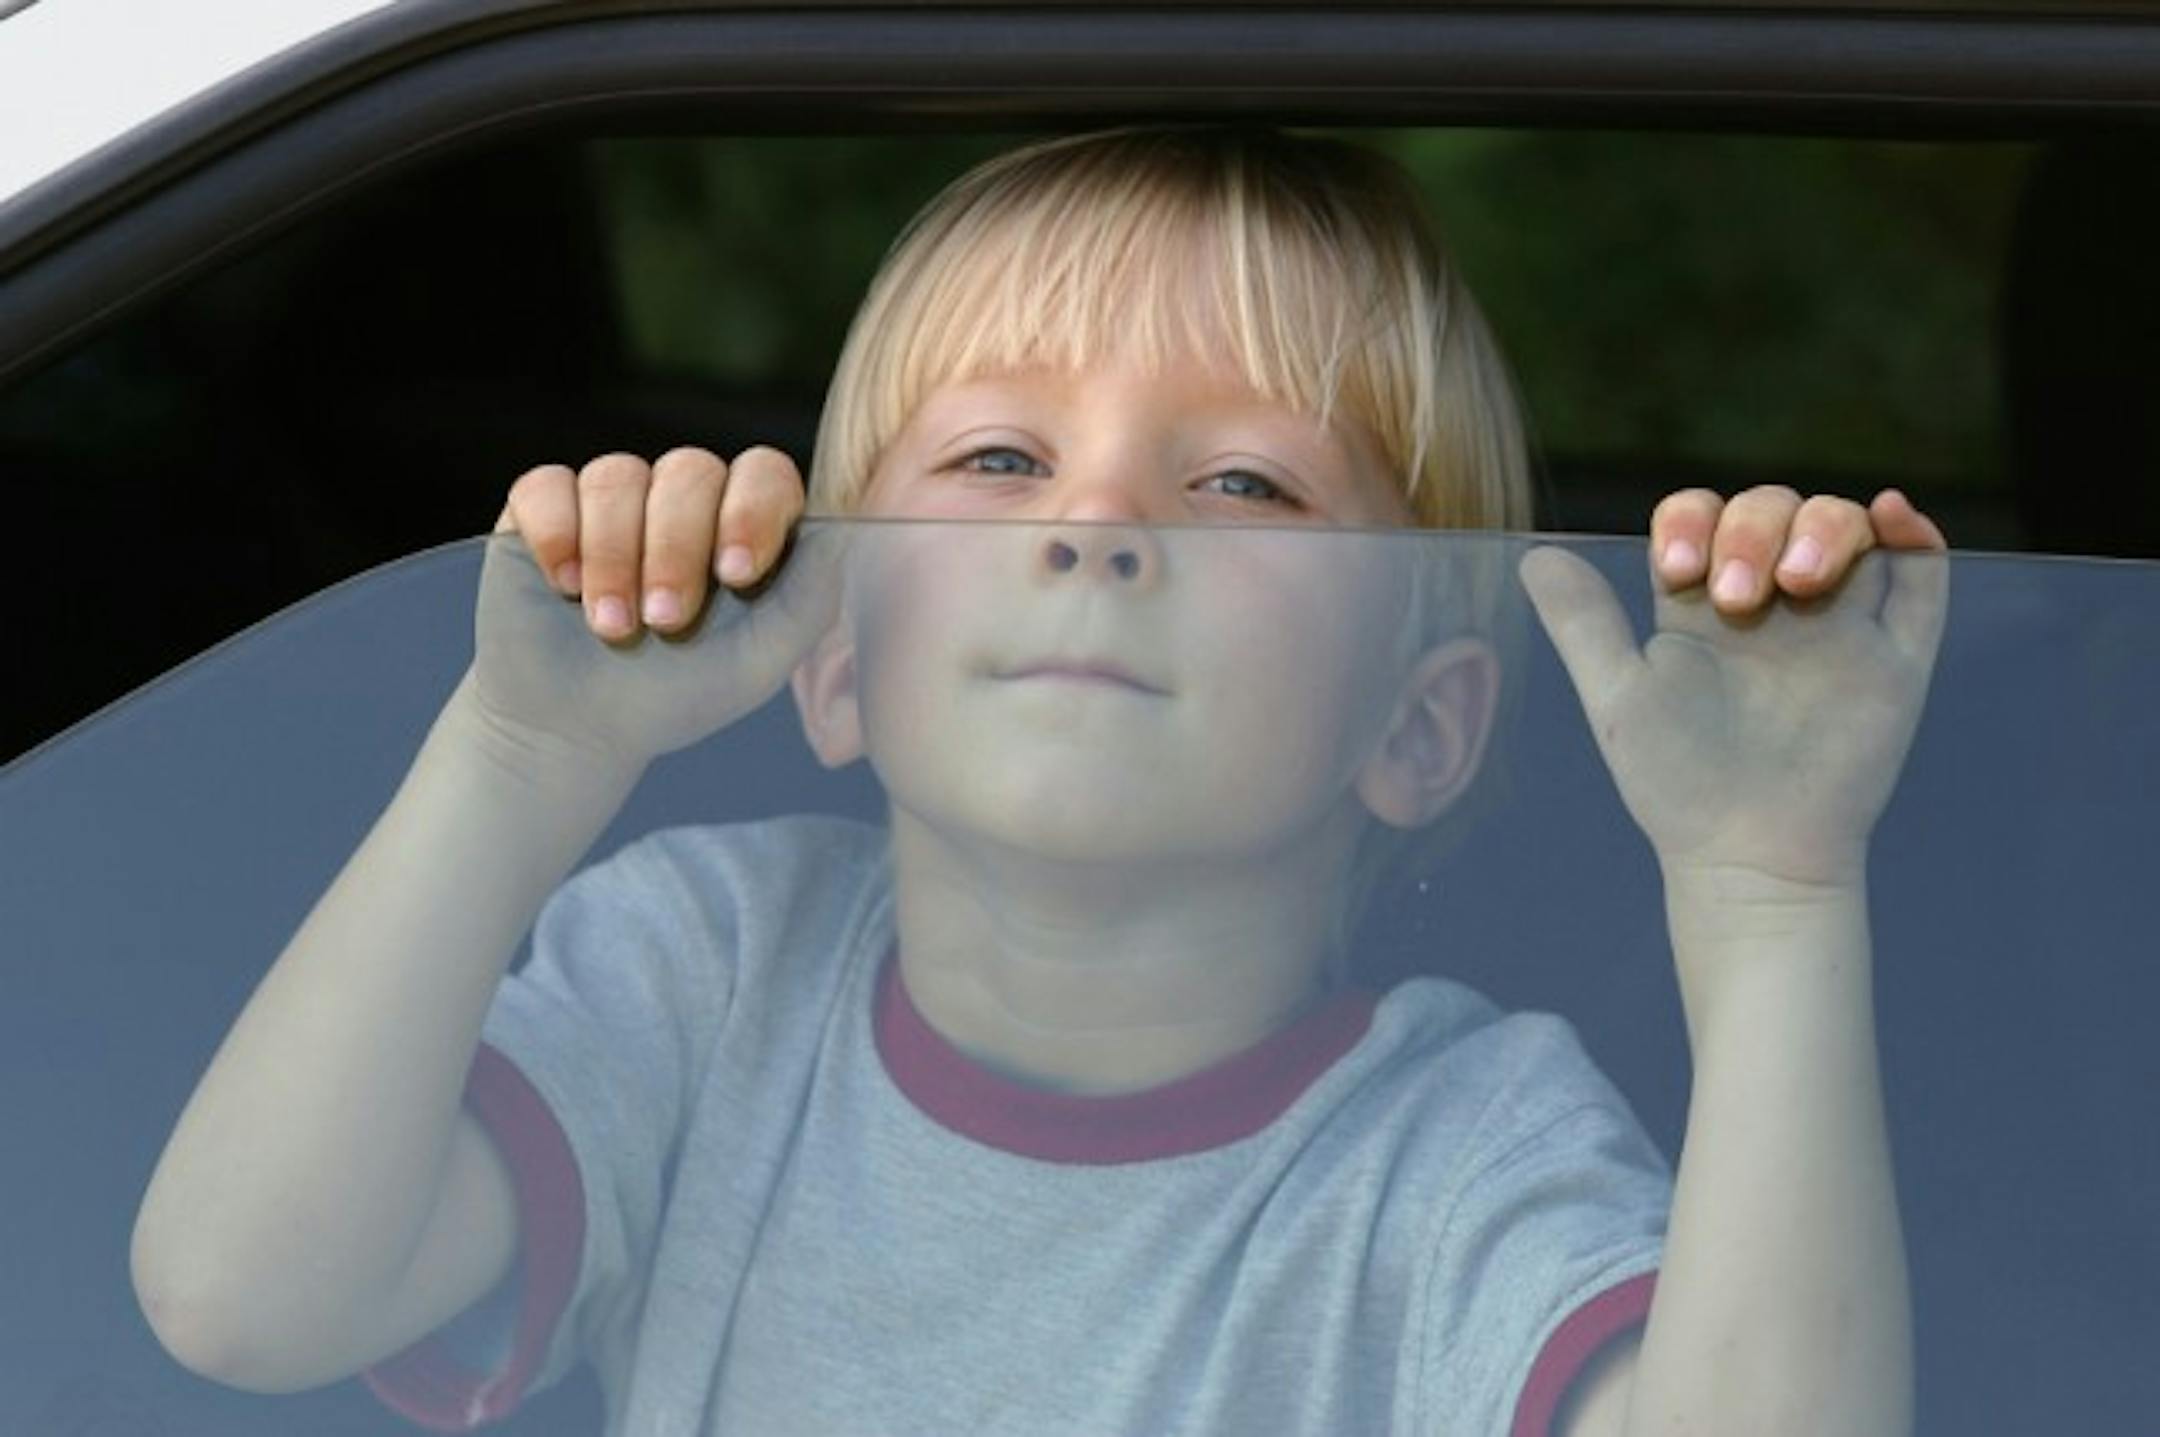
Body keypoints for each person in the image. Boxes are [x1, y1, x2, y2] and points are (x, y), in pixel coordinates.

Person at [130, 127, 1947, 1435]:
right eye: (1001, 455)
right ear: (834, 649)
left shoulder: (1459, 1154)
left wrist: (1770, 885)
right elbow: (240, 1292)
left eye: (1246, 485)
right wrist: (524, 755)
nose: (1096, 522)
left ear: (1419, 726)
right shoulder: (712, 969)